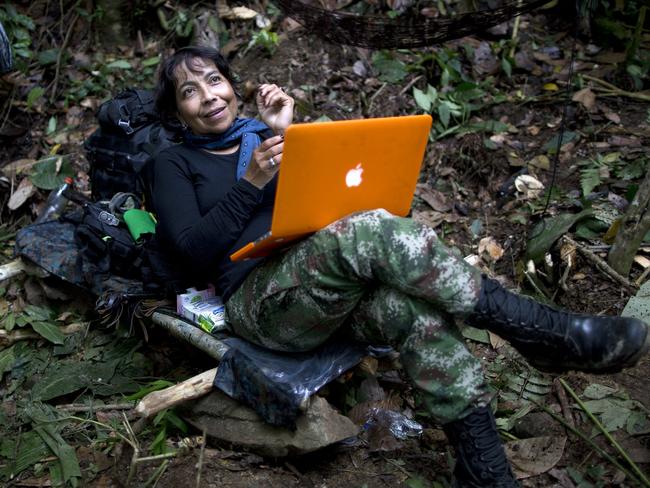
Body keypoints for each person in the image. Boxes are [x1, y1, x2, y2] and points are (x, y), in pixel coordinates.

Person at [150, 46, 648, 488]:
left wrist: (287, 137)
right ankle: (541, 330)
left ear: (234, 87)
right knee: (370, 229)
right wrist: (253, 181)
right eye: (189, 91)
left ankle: (484, 470)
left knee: (409, 310)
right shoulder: (171, 164)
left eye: (214, 80)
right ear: (178, 112)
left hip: (329, 287)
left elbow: (322, 206)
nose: (208, 96)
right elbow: (191, 250)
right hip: (263, 302)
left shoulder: (266, 138)